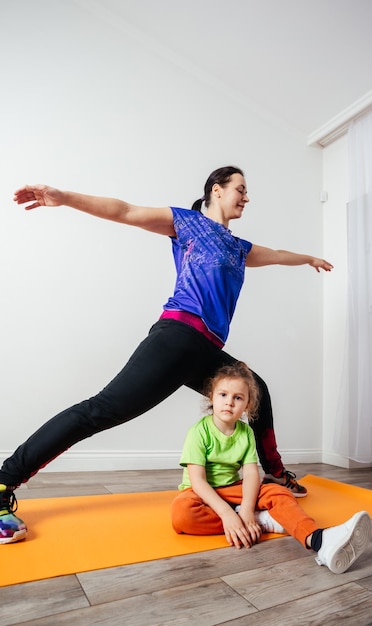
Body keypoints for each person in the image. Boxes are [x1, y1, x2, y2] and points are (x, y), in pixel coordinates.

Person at [0, 165, 334, 545]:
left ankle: (273, 472)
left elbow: (274, 254)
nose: (246, 197)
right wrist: (64, 198)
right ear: (216, 190)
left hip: (207, 348)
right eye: (240, 188)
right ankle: (4, 479)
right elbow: (124, 211)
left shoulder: (238, 248)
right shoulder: (187, 224)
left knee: (255, 388)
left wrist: (307, 257)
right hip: (176, 337)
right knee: (98, 411)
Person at [171, 361, 372, 574]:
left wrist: (247, 508)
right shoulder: (198, 432)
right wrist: (226, 514)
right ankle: (262, 520)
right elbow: (198, 481)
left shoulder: (246, 433)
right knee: (181, 513)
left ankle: (319, 540)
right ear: (211, 396)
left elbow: (250, 474)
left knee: (278, 492)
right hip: (201, 493)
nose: (229, 403)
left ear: (247, 405)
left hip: (233, 488)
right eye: (223, 395)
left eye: (237, 398)